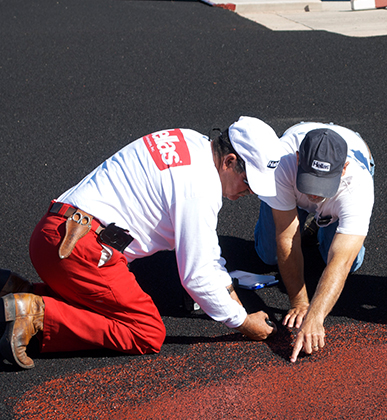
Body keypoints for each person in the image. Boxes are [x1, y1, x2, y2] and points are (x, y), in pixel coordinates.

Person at [0, 116, 282, 369]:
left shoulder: (188, 139)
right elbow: (197, 276)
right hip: (83, 253)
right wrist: (243, 322)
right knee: (146, 331)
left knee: (105, 306)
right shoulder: (200, 188)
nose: (249, 193)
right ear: (229, 161)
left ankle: (19, 292)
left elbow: (206, 254)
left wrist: (231, 298)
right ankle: (36, 316)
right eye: (248, 183)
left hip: (52, 235)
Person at [253, 122, 374, 362]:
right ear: (298, 159)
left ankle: (318, 223)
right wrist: (299, 302)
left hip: (346, 186)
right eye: (310, 182)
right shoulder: (281, 164)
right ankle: (300, 215)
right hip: (287, 181)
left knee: (352, 262)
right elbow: (287, 238)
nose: (315, 193)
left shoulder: (357, 185)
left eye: (322, 185)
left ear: (344, 168)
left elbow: (340, 262)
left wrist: (314, 318)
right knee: (269, 255)